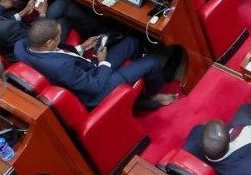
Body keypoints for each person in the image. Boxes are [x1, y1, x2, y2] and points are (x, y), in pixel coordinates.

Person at [15, 18, 174, 109]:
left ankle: (145, 79)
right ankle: (153, 97)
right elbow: (95, 86)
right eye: (58, 36)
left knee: (131, 41)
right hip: (96, 91)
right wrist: (103, 62)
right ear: (49, 43)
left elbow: (58, 54)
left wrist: (82, 47)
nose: (61, 36)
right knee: (152, 62)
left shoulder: (22, 46)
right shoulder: (62, 68)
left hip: (87, 70)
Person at [184, 103, 251, 175]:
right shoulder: (249, 168)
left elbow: (203, 127)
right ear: (230, 138)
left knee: (247, 108)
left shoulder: (195, 135)